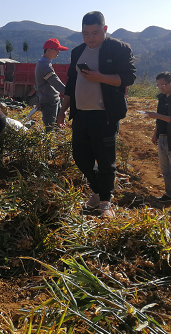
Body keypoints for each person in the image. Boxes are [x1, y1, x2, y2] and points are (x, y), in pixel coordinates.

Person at [56, 11, 136, 216]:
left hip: (105, 114)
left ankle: (105, 203)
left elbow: (128, 78)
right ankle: (98, 192)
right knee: (81, 157)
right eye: (85, 34)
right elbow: (71, 83)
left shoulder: (119, 49)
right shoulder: (77, 52)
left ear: (105, 29)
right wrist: (62, 110)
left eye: (95, 33)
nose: (90, 38)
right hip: (81, 113)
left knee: (105, 159)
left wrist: (100, 77)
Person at [144, 72, 171, 213]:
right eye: (158, 85)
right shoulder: (162, 98)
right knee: (165, 169)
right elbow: (160, 119)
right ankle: (170, 194)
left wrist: (156, 116)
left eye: (163, 84)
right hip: (162, 136)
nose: (161, 88)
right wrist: (155, 133)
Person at [29, 38, 68, 132]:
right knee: (50, 130)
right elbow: (56, 83)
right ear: (49, 50)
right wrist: (69, 93)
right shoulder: (44, 66)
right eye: (56, 50)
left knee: (58, 128)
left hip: (53, 100)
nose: (58, 52)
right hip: (49, 102)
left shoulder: (44, 63)